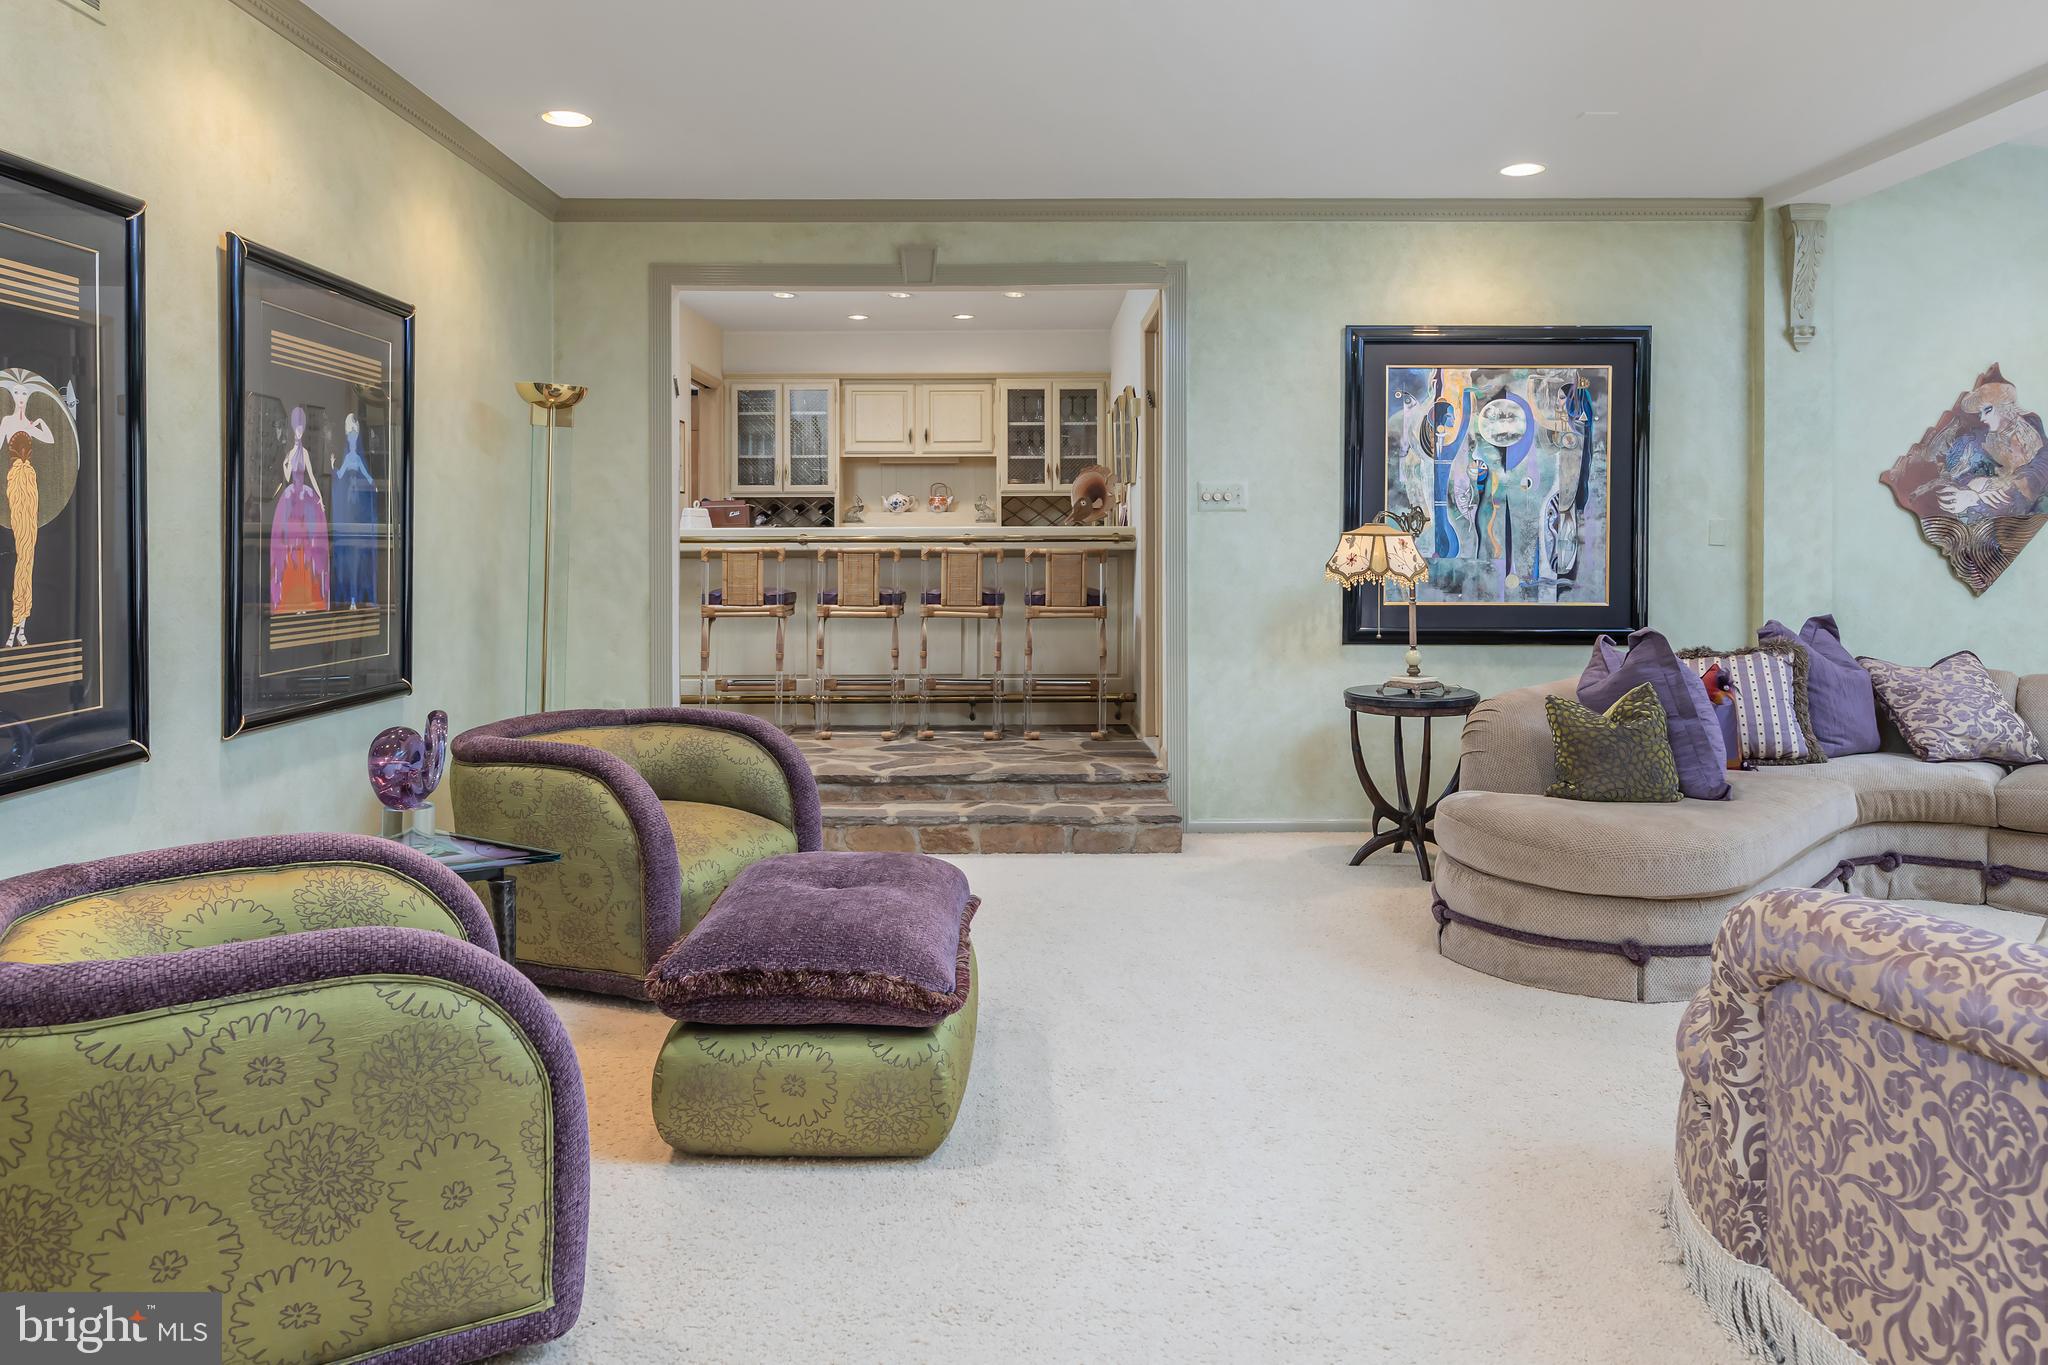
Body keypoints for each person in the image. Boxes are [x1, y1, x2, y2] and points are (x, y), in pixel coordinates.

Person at [1935, 377, 2048, 520]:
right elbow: (1964, 471)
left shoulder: (2032, 424)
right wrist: (1974, 486)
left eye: (1987, 410)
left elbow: (2040, 471)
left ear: (2003, 407)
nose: (1982, 418)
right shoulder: (1986, 440)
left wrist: (1979, 492)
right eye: (1980, 413)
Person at [0, 378, 55, 649]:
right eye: (18, 393)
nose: (21, 397)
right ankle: (15, 621)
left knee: (29, 553)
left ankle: (20, 624)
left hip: (30, 481)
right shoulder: (8, 422)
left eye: (25, 393)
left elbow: (50, 437)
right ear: (12, 395)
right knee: (21, 551)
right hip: (16, 481)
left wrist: (38, 424)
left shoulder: (28, 424)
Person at [269, 406, 330, 612]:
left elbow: (312, 476)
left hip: (305, 500)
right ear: (294, 429)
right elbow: (287, 478)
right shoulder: (291, 453)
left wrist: (320, 497)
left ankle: (305, 599)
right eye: (297, 428)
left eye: (301, 428)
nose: (299, 432)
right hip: (291, 501)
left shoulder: (304, 453)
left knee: (306, 550)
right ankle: (291, 599)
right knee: (290, 549)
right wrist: (285, 464)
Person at [328, 413, 378, 609]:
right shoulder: (349, 458)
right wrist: (333, 467)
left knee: (358, 559)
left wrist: (373, 486)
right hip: (349, 514)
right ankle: (351, 599)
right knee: (349, 560)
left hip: (358, 514)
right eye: (350, 433)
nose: (352, 437)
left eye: (354, 433)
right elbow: (339, 476)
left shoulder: (356, 458)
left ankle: (357, 598)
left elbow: (367, 477)